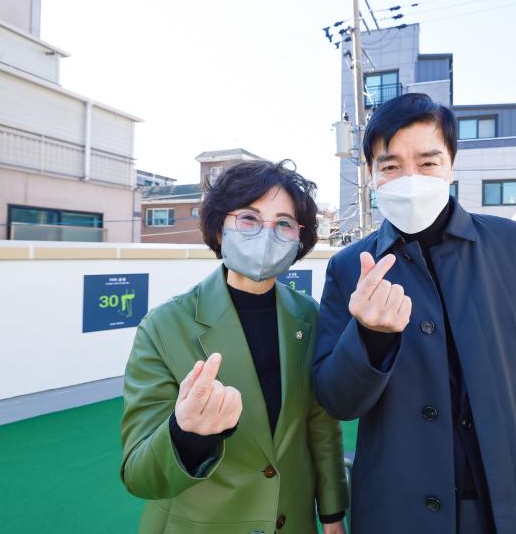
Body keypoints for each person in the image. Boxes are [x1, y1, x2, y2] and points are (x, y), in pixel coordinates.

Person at [313, 93, 516, 533]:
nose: (409, 178)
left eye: (427, 162)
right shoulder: (349, 268)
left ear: (451, 165)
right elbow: (336, 400)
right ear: (371, 174)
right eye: (390, 166)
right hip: (399, 512)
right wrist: (369, 337)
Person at [121, 160, 348, 534]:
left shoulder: (309, 315)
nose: (266, 234)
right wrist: (185, 434)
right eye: (249, 218)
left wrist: (333, 512)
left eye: (284, 223)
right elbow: (139, 475)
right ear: (219, 227)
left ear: (299, 239)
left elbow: (319, 424)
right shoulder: (163, 327)